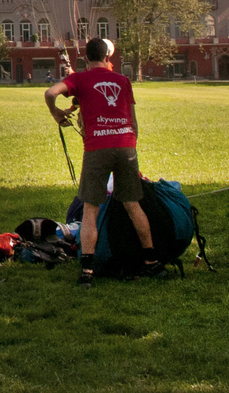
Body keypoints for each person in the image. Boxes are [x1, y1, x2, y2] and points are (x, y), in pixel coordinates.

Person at [45, 37, 162, 286]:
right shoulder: (123, 80)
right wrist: (130, 148)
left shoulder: (79, 79)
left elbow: (50, 93)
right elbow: (133, 119)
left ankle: (87, 271)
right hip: (126, 146)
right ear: (108, 58)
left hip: (97, 148)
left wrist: (56, 113)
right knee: (133, 205)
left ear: (86, 58)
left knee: (90, 209)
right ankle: (152, 262)